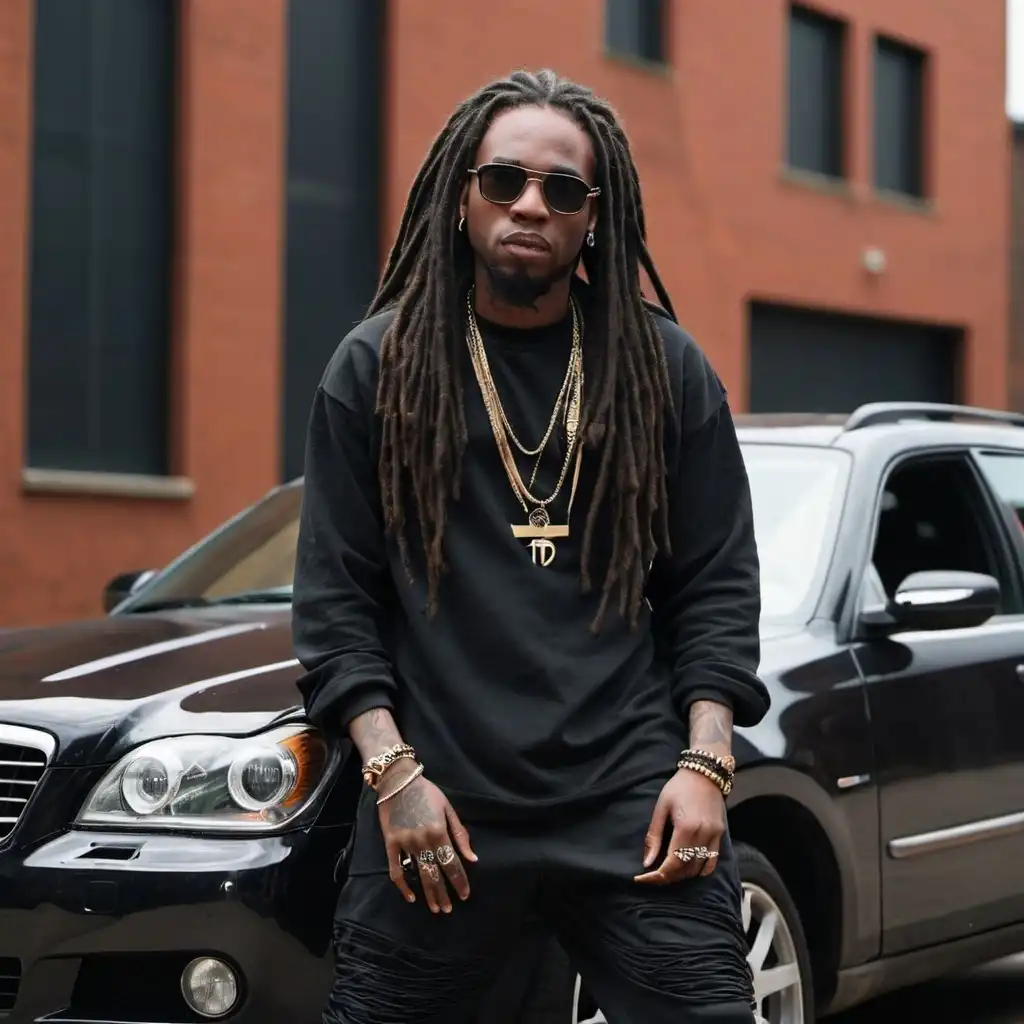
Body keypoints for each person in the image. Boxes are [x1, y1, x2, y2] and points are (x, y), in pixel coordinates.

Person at [293, 68, 770, 1024]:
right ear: (459, 194)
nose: (530, 205)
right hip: (440, 798)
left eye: (562, 190)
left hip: (630, 797)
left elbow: (714, 586)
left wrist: (706, 767)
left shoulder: (662, 369)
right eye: (504, 179)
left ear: (594, 217)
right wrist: (393, 777)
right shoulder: (380, 367)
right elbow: (337, 605)